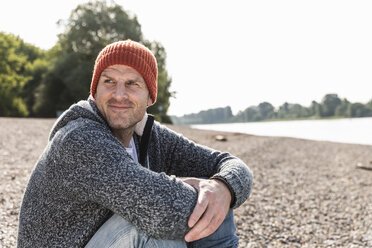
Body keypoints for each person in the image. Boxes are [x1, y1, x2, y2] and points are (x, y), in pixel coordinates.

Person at [17, 40, 253, 247]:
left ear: (150, 97)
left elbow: (229, 164)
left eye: (132, 83)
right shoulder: (79, 138)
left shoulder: (150, 135)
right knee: (154, 229)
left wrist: (223, 186)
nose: (119, 94)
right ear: (95, 91)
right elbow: (160, 211)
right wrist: (207, 194)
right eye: (109, 81)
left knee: (216, 197)